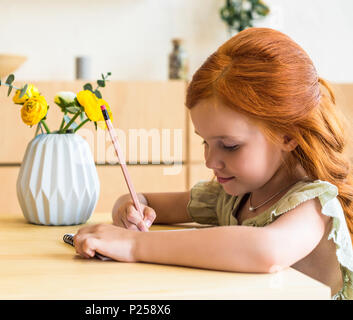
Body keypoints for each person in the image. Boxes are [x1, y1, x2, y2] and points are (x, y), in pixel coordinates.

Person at [73, 28, 353, 300]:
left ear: (288, 135)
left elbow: (265, 251)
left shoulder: (314, 204)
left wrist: (134, 245)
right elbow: (145, 201)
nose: (210, 160)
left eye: (229, 146)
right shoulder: (231, 198)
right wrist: (128, 208)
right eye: (204, 142)